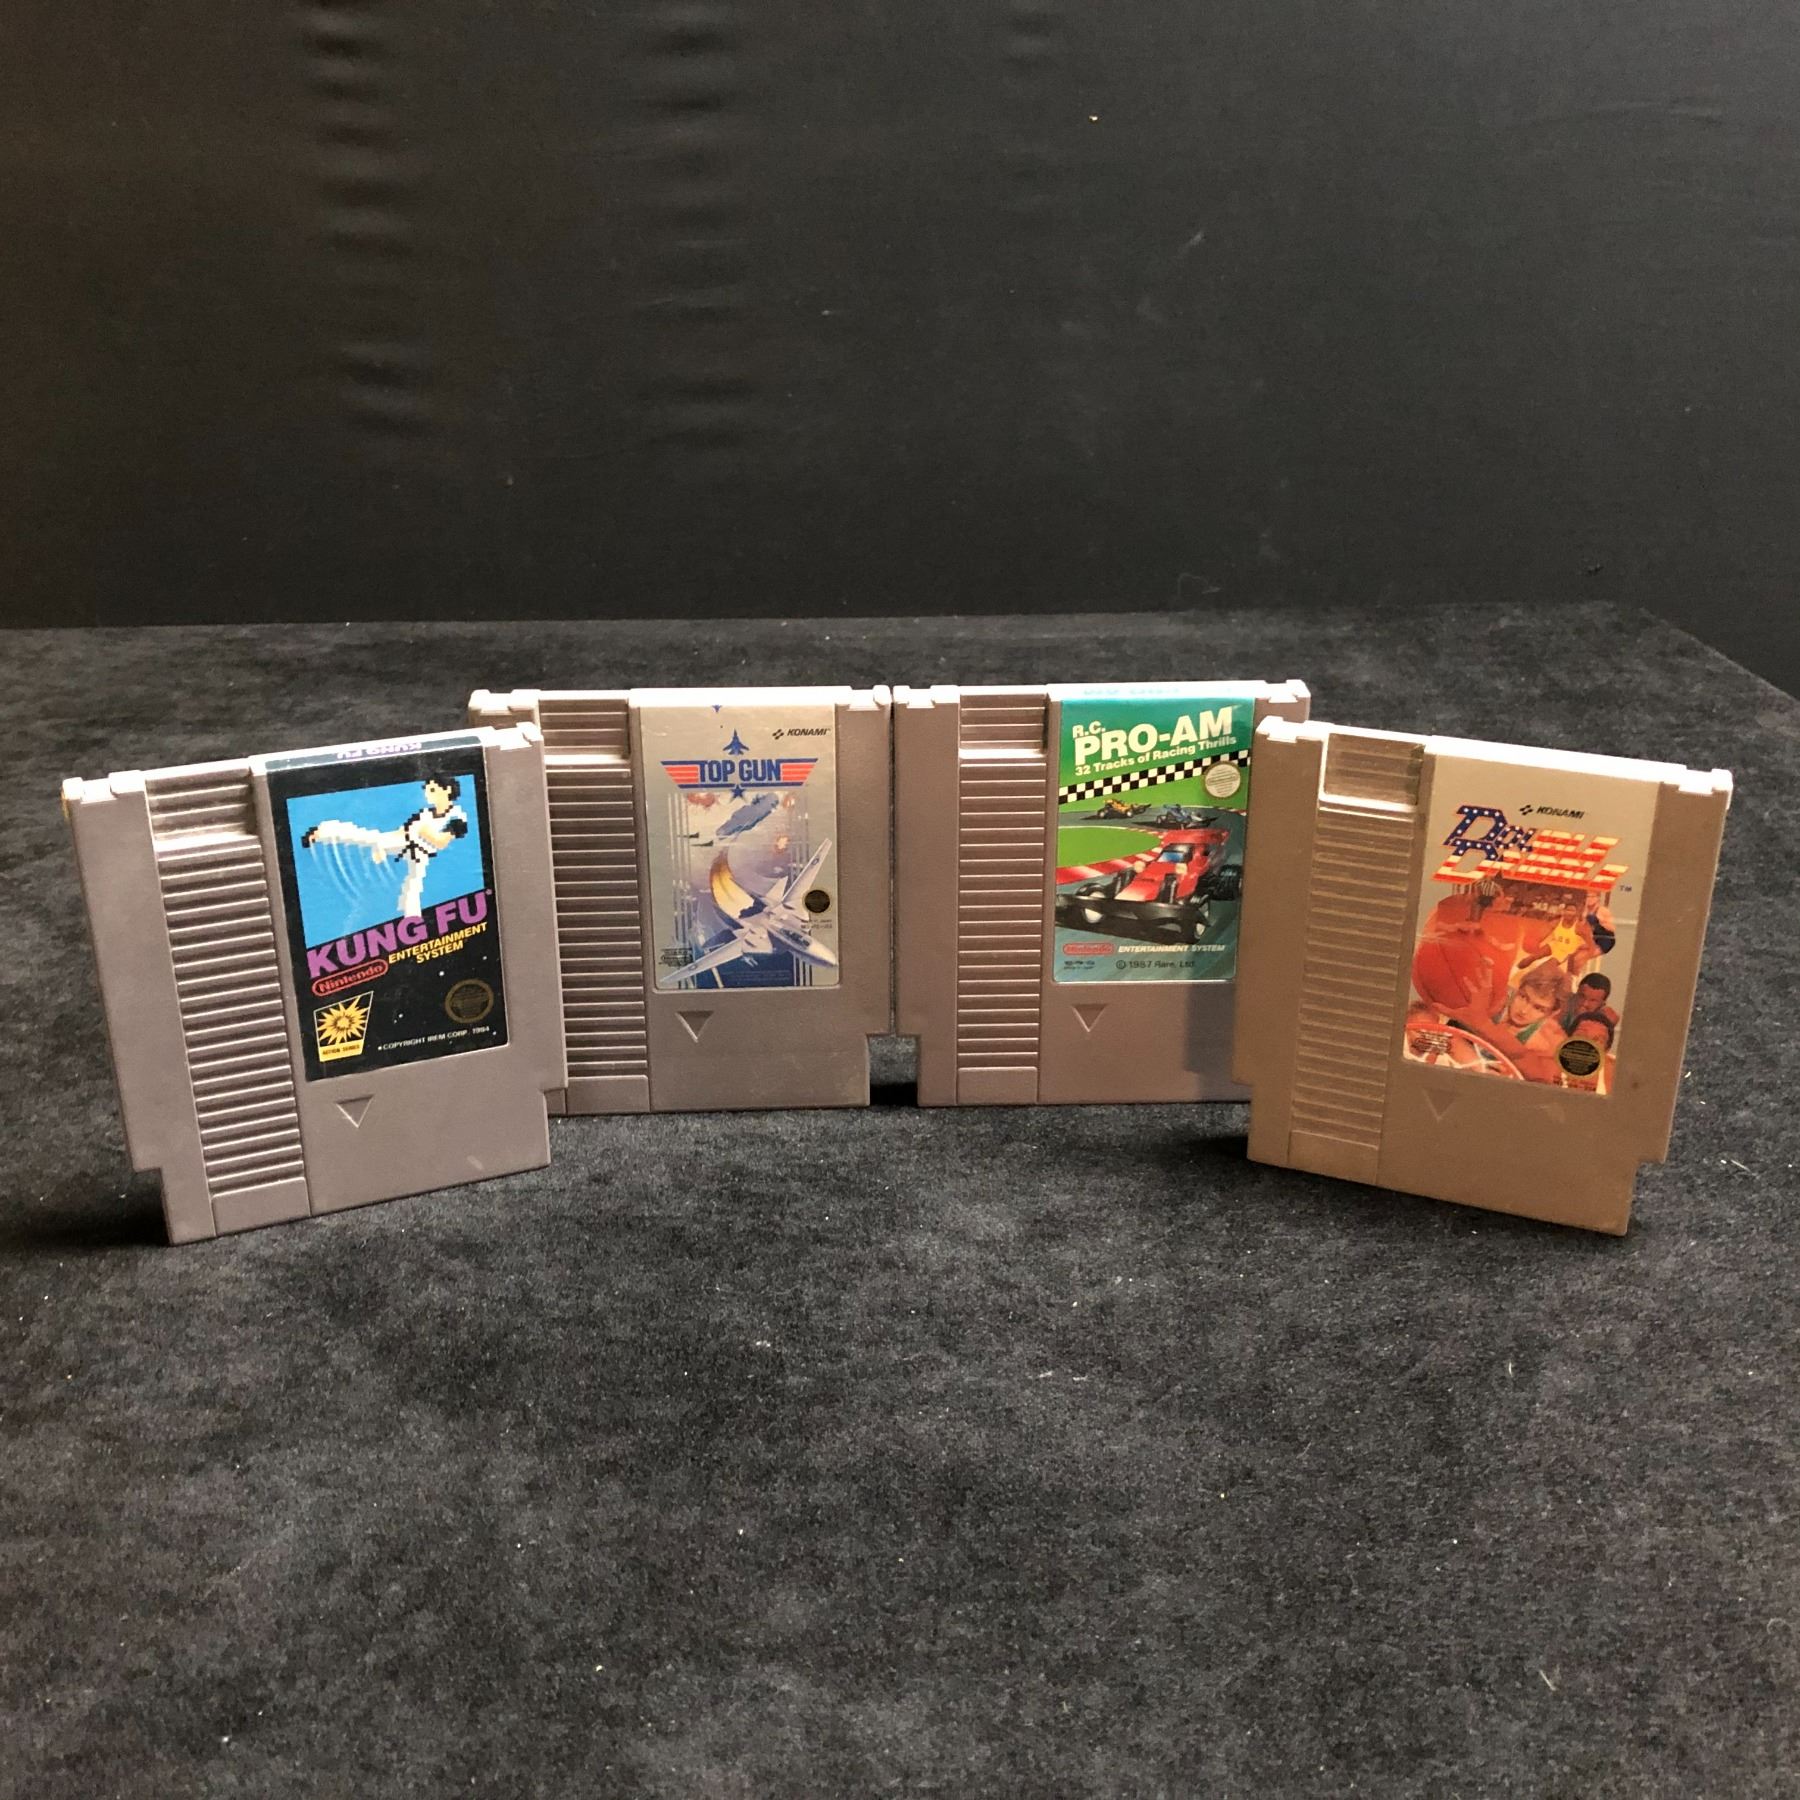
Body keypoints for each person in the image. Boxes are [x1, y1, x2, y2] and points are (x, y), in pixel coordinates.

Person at [301, 772, 469, 918]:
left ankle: (412, 922)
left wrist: (422, 831)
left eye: (432, 790)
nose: (427, 794)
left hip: (421, 853)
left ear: (447, 790)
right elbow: (402, 832)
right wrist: (382, 845)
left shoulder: (456, 816)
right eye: (426, 790)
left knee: (412, 887)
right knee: (368, 837)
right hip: (405, 843)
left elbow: (441, 842)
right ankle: (323, 831)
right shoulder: (425, 813)